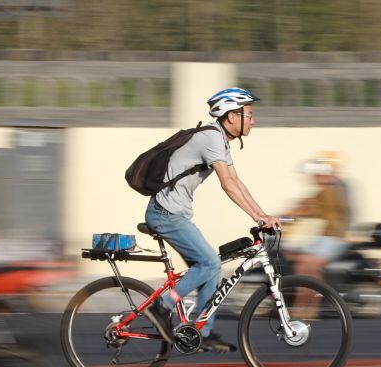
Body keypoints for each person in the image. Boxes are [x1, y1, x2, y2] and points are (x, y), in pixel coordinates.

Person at [143, 87, 282, 353]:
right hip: (165, 215)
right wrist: (257, 216)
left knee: (212, 267)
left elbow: (236, 181)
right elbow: (227, 184)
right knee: (209, 263)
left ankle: (203, 332)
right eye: (249, 115)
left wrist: (262, 214)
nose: (254, 121)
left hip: (175, 214)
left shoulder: (220, 139)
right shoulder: (210, 138)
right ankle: (162, 307)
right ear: (232, 116)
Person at [284, 152, 352, 317]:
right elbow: (303, 208)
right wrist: (282, 218)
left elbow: (308, 208)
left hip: (335, 237)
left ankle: (310, 308)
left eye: (318, 174)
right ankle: (302, 306)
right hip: (323, 237)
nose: (314, 177)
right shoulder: (322, 192)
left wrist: (293, 214)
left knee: (311, 265)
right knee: (300, 264)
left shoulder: (337, 189)